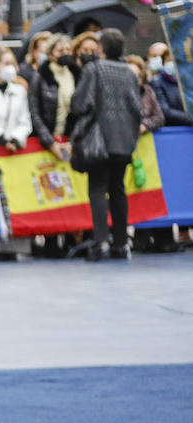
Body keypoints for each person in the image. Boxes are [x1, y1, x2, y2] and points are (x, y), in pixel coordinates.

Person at [70, 29, 142, 261]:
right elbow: (136, 109)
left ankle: (100, 241)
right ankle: (121, 243)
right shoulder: (129, 73)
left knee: (98, 188)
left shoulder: (94, 69)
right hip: (123, 141)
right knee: (118, 189)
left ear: (102, 49)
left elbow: (80, 104)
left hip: (99, 140)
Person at [30, 34, 81, 164]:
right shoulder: (40, 76)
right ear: (50, 54)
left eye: (67, 50)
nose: (65, 53)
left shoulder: (77, 75)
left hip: (69, 141)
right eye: (60, 51)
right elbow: (35, 113)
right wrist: (50, 142)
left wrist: (71, 142)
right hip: (47, 142)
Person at [148, 42, 192, 127]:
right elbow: (165, 111)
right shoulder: (156, 82)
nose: (172, 64)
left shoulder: (187, 81)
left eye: (175, 61)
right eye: (169, 60)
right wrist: (190, 118)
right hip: (170, 132)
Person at [126, 54, 166, 134]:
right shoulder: (115, 93)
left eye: (137, 77)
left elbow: (159, 118)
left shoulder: (147, 91)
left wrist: (144, 125)